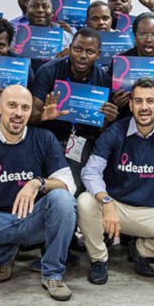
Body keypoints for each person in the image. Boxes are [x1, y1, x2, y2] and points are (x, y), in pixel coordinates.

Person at [0, 85, 77, 301]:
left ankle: (53, 273)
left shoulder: (44, 139)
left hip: (35, 220)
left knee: (63, 199)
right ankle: (7, 253)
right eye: (12, 105)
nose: (18, 113)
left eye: (25, 107)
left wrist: (37, 183)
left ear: (30, 112)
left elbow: (69, 184)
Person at [79, 77, 154, 284]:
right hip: (114, 207)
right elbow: (90, 171)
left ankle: (141, 250)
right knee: (85, 201)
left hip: (149, 211)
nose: (144, 107)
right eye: (139, 101)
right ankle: (99, 259)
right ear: (131, 104)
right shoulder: (115, 131)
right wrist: (106, 201)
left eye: (150, 101)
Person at [29, 28, 119, 195]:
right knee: (39, 188)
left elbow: (101, 131)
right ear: (70, 48)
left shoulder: (104, 80)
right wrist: (42, 115)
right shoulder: (49, 71)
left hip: (82, 142)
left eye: (90, 51)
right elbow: (30, 116)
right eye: (78, 49)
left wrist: (107, 121)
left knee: (73, 190)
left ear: (98, 54)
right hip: (48, 137)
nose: (83, 55)